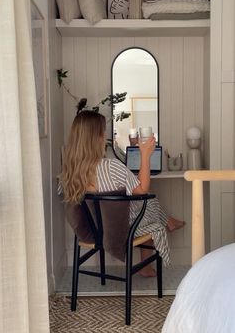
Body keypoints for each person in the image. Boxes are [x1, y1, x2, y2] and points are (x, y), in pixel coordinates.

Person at [61, 110, 184, 277]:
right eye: (102, 131)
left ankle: (168, 222)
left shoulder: (68, 173)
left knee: (146, 204)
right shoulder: (111, 166)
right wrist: (145, 155)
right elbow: (142, 190)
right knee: (149, 201)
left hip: (91, 230)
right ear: (95, 138)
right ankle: (166, 226)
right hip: (117, 229)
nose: (105, 135)